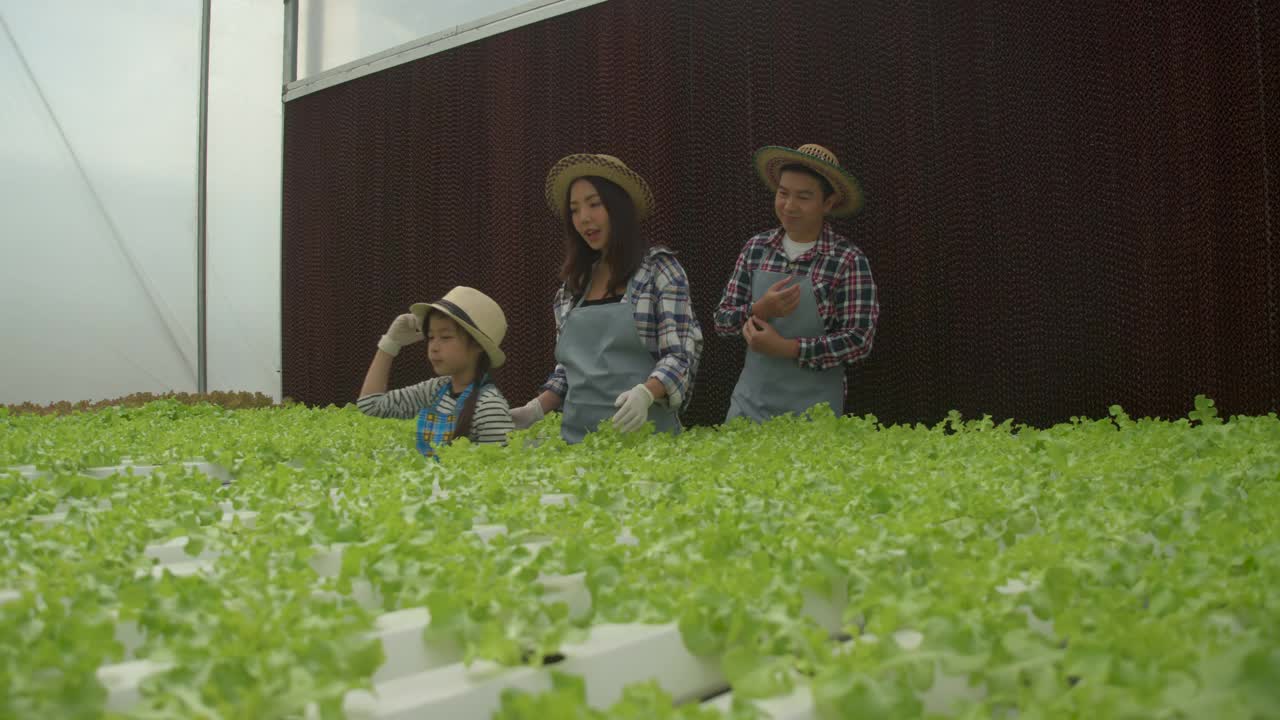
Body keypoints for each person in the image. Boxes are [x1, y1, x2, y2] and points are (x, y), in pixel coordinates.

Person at [509, 153, 702, 443]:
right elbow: (570, 369)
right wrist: (537, 408)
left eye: (594, 204)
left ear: (620, 208)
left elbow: (681, 354)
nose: (584, 217)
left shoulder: (659, 271)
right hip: (577, 441)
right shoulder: (573, 288)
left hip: (646, 444)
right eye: (574, 210)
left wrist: (646, 392)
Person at [713, 143, 879, 422]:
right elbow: (722, 321)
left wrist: (789, 348)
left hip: (814, 411)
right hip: (750, 406)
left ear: (828, 203)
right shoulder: (756, 248)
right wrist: (759, 309)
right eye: (783, 193)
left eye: (803, 197)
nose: (789, 205)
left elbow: (859, 340)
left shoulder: (847, 260)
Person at [357, 286, 513, 457]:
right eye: (431, 337)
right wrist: (390, 343)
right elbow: (370, 405)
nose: (434, 347)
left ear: (477, 345)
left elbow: (494, 473)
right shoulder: (434, 390)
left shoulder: (489, 406)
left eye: (445, 337)